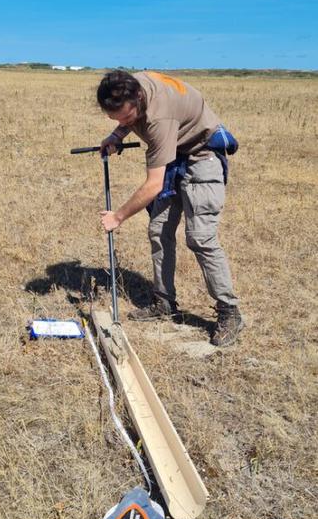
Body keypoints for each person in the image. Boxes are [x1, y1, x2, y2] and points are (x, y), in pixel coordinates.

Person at [97, 69, 244, 347]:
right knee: (159, 230)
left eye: (127, 118)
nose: (124, 122)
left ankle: (230, 312)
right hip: (176, 154)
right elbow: (128, 118)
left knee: (200, 237)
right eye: (115, 118)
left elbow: (153, 185)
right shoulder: (130, 84)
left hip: (202, 156)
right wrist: (117, 134)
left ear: (139, 99)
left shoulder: (158, 119)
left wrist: (118, 217)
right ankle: (164, 302)